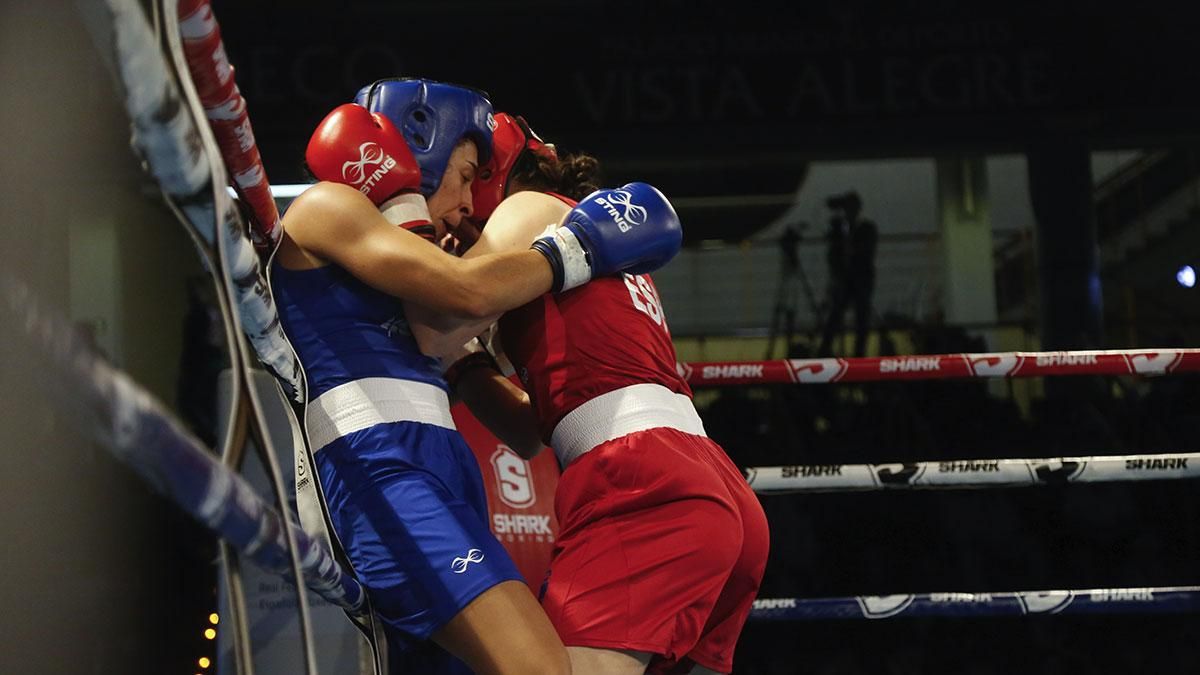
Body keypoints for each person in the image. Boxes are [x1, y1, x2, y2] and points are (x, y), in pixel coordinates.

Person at [270, 78, 683, 675]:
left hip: (439, 466)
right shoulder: (327, 208)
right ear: (421, 144)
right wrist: (584, 245)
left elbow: (514, 413)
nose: (469, 203)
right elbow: (464, 291)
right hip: (378, 469)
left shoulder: (412, 263)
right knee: (540, 668)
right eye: (466, 175)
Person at [416, 112, 770, 675]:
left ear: (494, 174)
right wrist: (468, 362)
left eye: (466, 178)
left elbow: (434, 320)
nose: (457, 201)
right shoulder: (580, 252)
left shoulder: (527, 208)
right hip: (705, 482)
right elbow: (528, 433)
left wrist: (404, 243)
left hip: (639, 483)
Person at [817, 190, 878, 358]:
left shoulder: (866, 229)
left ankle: (859, 356)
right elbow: (834, 257)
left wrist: (848, 245)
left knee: (861, 319)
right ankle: (825, 350)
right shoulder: (841, 231)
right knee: (836, 315)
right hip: (845, 280)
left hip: (861, 280)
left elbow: (865, 252)